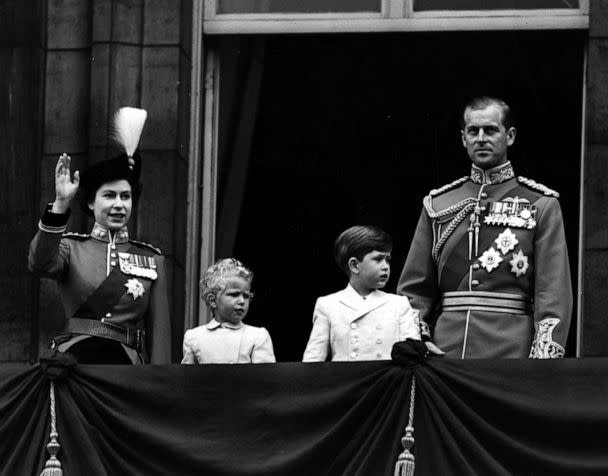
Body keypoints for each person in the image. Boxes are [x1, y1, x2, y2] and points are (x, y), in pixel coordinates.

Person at [397, 96, 572, 359]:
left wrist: (542, 360)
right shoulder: (437, 204)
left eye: (490, 130)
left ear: (509, 136)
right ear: (463, 138)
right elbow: (414, 289)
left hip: (512, 351)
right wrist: (417, 341)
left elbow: (552, 292)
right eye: (473, 131)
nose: (481, 138)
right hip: (445, 350)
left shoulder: (541, 204)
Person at [28, 107, 171, 364]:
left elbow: (159, 335)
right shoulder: (71, 248)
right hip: (74, 363)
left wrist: (159, 386)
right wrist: (60, 204)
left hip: (126, 370)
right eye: (109, 196)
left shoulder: (152, 259)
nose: (119, 204)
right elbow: (38, 263)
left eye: (125, 197)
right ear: (92, 204)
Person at [302, 225, 421, 362]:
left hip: (387, 381)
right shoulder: (328, 305)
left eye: (388, 260)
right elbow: (313, 359)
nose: (385, 266)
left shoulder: (398, 304)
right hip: (346, 381)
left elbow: (412, 352)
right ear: (354, 265)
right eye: (378, 259)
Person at [181, 258, 276, 364]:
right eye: (234, 294)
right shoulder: (194, 337)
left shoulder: (257, 336)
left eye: (246, 296)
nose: (241, 301)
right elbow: (188, 378)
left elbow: (265, 377)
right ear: (213, 300)